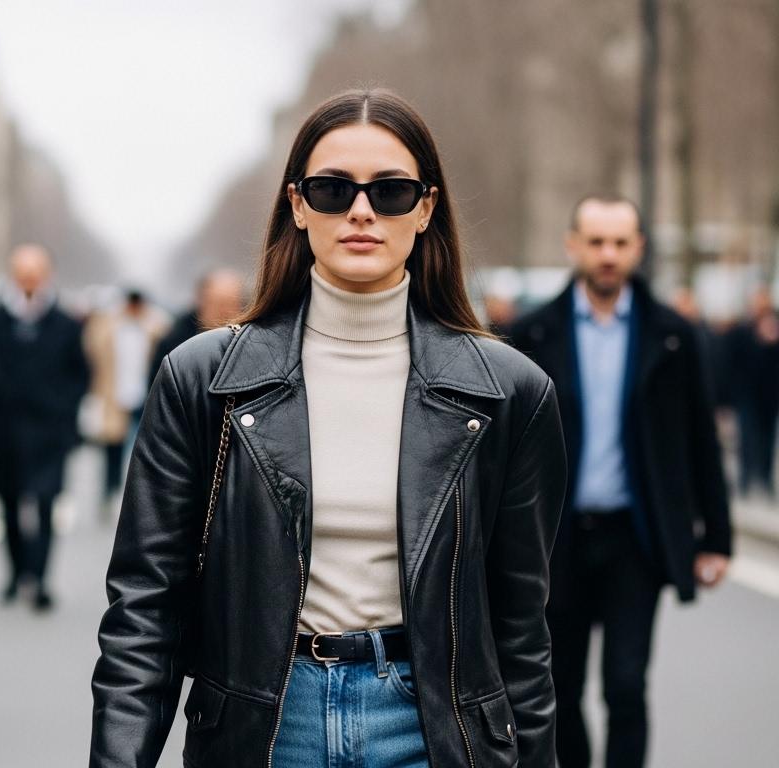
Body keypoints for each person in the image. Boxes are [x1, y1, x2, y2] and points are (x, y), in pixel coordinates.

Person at [90, 88, 566, 768]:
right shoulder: (203, 379)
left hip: (431, 729)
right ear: (297, 205)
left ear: (427, 207)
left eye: (392, 191)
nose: (362, 211)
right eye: (332, 189)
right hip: (268, 725)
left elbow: (523, 630)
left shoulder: (509, 391)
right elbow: (144, 607)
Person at [509, 195, 732, 768]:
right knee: (561, 687)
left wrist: (717, 539)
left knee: (626, 686)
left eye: (620, 242)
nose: (608, 255)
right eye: (596, 241)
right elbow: (502, 449)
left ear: (637, 248)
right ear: (573, 245)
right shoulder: (530, 334)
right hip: (556, 540)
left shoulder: (673, 335)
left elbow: (700, 441)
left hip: (636, 538)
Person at [0, 244, 89, 611]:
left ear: (47, 275)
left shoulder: (65, 322)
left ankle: (41, 579)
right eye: (22, 271)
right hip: (4, 433)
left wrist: (63, 411)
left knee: (45, 505)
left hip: (49, 433)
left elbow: (80, 374)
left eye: (35, 271)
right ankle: (17, 574)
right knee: (9, 505)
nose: (29, 279)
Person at [84, 289, 168, 516]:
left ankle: (143, 499)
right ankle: (109, 494)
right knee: (112, 452)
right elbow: (92, 350)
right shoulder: (110, 327)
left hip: (145, 396)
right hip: (115, 397)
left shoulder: (154, 328)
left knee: (146, 451)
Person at [724, 287, 779, 497]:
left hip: (770, 395)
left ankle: (765, 479)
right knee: (746, 438)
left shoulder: (774, 327)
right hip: (745, 394)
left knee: (767, 439)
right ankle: (745, 479)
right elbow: (732, 360)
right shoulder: (742, 330)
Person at [150, 268, 245, 374]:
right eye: (218, 304)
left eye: (232, 304)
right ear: (201, 302)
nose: (225, 312)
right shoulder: (174, 345)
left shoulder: (250, 343)